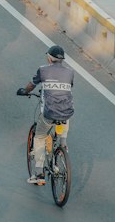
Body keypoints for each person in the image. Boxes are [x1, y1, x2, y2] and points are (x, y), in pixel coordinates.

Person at [16, 44, 74, 185]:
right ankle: (63, 146)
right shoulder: (70, 72)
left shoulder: (43, 70)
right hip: (67, 112)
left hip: (49, 113)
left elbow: (31, 85)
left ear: (49, 58)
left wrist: (25, 91)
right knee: (63, 120)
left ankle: (39, 173)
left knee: (40, 137)